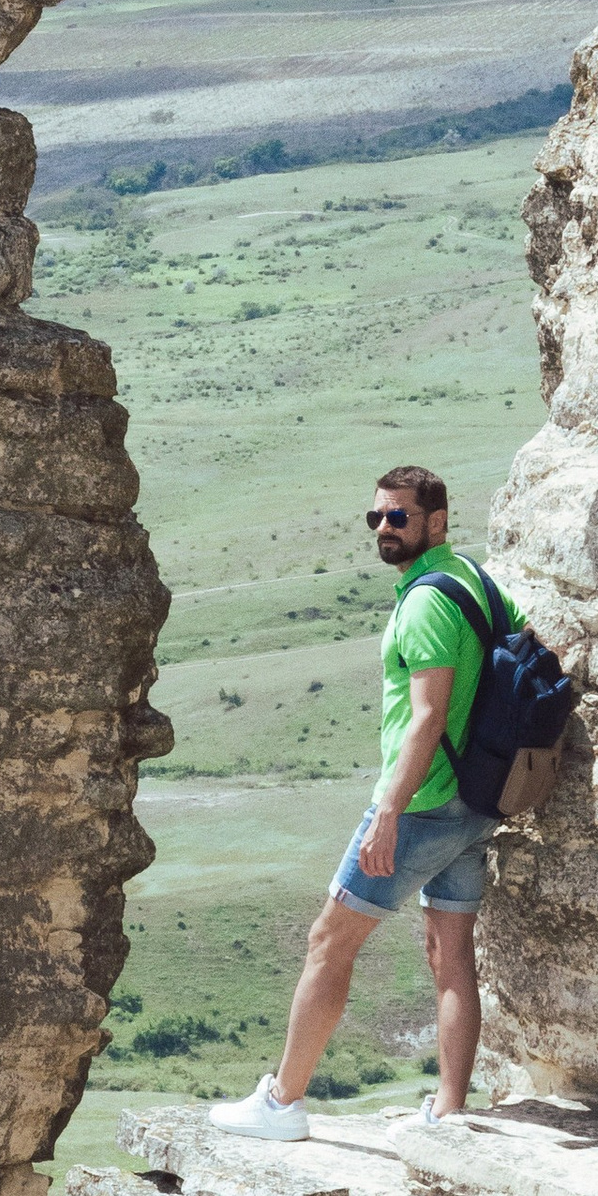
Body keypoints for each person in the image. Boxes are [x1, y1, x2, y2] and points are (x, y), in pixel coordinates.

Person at [212, 464, 521, 1140]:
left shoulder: (424, 604)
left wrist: (388, 811)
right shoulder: (473, 579)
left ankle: (283, 1103)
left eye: (399, 517)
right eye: (376, 517)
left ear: (435, 521)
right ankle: (447, 1110)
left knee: (330, 940)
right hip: (478, 800)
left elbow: (426, 718)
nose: (385, 528)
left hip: (422, 806)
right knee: (450, 952)